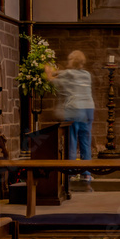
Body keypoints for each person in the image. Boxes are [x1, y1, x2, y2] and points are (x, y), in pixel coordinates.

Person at [46, 50, 95, 183]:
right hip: (89, 109)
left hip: (75, 109)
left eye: (69, 59)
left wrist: (47, 70)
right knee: (85, 141)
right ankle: (86, 173)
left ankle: (71, 172)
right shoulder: (87, 75)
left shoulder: (69, 73)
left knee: (71, 141)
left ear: (73, 61)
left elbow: (53, 80)